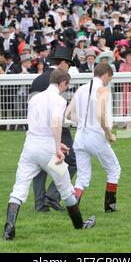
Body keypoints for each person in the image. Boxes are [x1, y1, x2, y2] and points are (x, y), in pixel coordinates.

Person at [2, 69, 96, 240]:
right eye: (66, 86)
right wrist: (57, 148)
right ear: (63, 83)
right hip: (48, 149)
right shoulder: (59, 100)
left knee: (19, 188)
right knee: (66, 188)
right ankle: (79, 224)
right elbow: (55, 123)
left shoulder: (35, 98)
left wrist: (56, 143)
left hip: (30, 146)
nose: (66, 89)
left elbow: (38, 124)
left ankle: (8, 230)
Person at [65, 63, 121, 212]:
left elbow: (68, 114)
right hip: (95, 135)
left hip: (80, 136)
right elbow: (100, 114)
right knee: (114, 169)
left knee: (82, 177)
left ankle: (73, 206)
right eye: (109, 78)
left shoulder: (81, 88)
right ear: (106, 75)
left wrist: (81, 122)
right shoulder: (103, 89)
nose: (109, 81)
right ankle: (110, 207)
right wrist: (109, 133)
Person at [30, 46, 77, 212]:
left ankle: (40, 205)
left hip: (37, 131)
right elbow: (58, 112)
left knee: (39, 167)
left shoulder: (37, 80)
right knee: (72, 163)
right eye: (68, 65)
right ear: (63, 63)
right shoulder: (58, 81)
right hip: (57, 129)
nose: (68, 69)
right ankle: (52, 196)